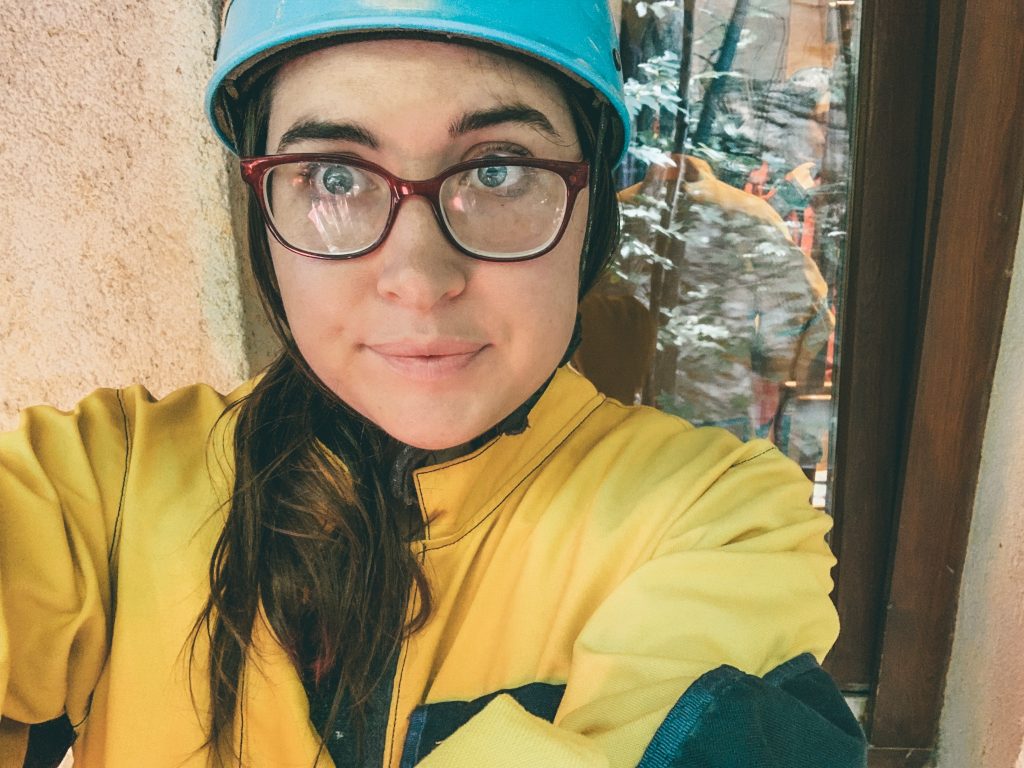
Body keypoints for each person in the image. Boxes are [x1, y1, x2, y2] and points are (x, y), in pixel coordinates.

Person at [0, 2, 866, 767]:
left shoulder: (715, 518)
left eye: (498, 169)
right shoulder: (100, 484)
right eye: (334, 176)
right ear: (263, 211)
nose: (417, 276)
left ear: (593, 199)